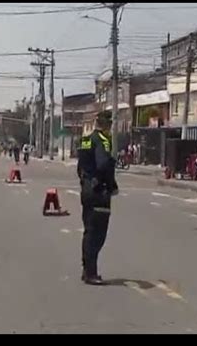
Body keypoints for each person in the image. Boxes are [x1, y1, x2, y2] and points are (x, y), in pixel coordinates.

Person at [77, 110, 118, 285]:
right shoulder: (102, 140)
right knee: (98, 233)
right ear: (107, 124)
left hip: (86, 189)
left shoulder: (85, 140)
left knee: (89, 230)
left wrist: (85, 182)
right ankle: (91, 273)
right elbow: (103, 165)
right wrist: (111, 185)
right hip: (98, 191)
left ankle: (87, 269)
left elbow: (80, 167)